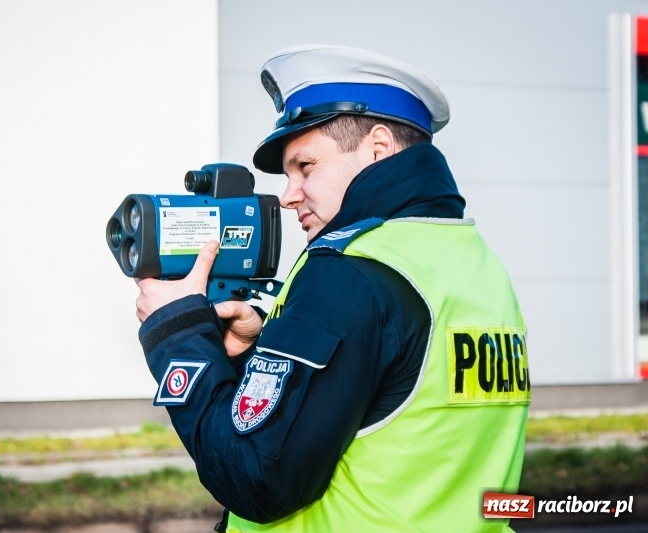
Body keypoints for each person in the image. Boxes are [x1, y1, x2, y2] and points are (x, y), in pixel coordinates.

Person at [134, 44, 531, 532]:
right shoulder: (476, 264)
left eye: (306, 167)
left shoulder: (349, 270)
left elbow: (258, 479)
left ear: (378, 149)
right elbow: (391, 400)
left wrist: (178, 334)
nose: (287, 195)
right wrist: (255, 355)